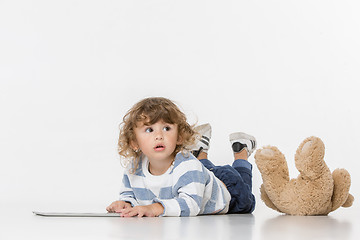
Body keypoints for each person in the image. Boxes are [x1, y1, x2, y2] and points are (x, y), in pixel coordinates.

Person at [106, 97, 256, 217]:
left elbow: (191, 204)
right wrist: (125, 203)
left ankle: (241, 151)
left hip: (230, 191)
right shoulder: (134, 167)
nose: (159, 136)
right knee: (199, 167)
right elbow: (129, 193)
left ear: (179, 137)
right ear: (134, 142)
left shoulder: (187, 166)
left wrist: (155, 208)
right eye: (149, 129)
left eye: (166, 128)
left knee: (246, 196)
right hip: (200, 176)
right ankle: (200, 150)